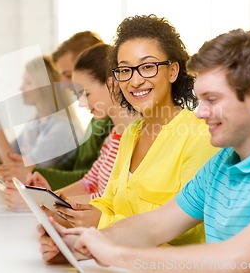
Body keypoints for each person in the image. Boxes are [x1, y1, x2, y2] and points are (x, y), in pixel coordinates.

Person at [39, 29, 250, 272]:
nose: (200, 113)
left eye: (212, 99)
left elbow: (238, 261)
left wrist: (116, 254)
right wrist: (83, 242)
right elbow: (155, 225)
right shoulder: (223, 163)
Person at [45, 15, 218, 240]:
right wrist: (68, 221)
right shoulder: (131, 134)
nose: (134, 81)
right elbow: (108, 203)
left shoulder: (200, 136)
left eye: (147, 67)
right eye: (125, 70)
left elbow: (186, 233)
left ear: (173, 71)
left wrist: (100, 225)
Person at [3, 43, 139, 211]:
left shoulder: (137, 137)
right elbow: (89, 182)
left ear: (112, 84)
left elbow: (111, 199)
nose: (82, 104)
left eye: (86, 94)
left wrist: (44, 202)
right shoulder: (114, 135)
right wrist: (50, 196)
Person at [28, 31, 115, 190]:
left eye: (67, 74)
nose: (62, 84)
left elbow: (95, 182)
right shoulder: (100, 123)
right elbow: (89, 178)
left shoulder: (116, 126)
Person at [0, 55, 83, 180]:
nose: (21, 88)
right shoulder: (35, 123)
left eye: (28, 83)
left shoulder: (63, 128)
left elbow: (15, 174)